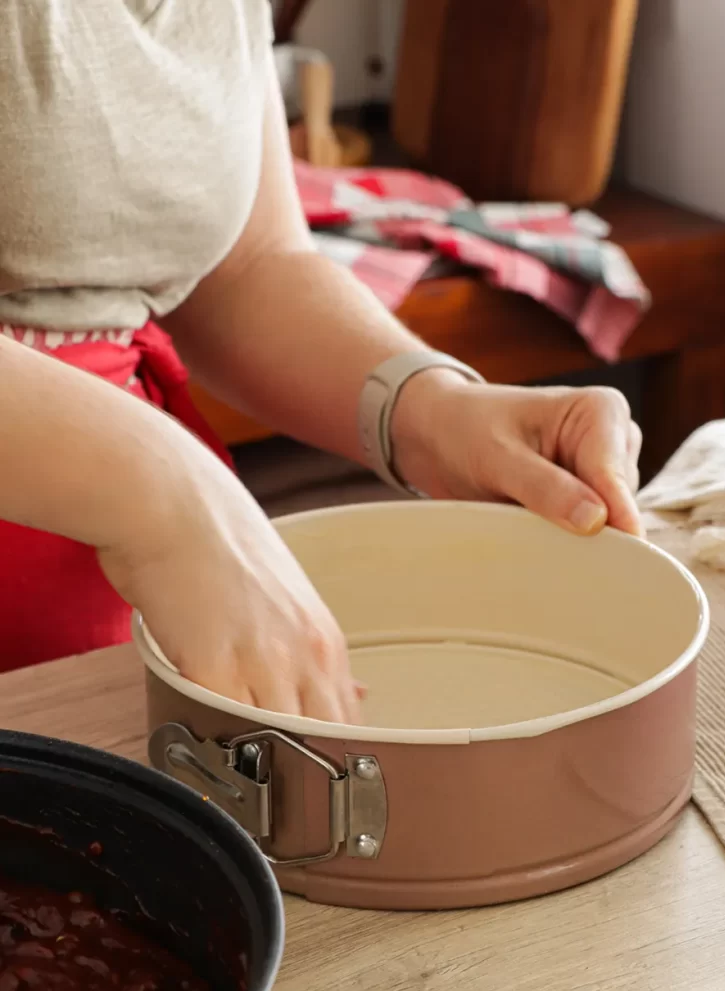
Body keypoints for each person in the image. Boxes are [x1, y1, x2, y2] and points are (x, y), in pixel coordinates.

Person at [0, 1, 642, 723]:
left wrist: (431, 409)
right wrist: (170, 494)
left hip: (103, 611)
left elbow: (245, 266)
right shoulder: (166, 496)